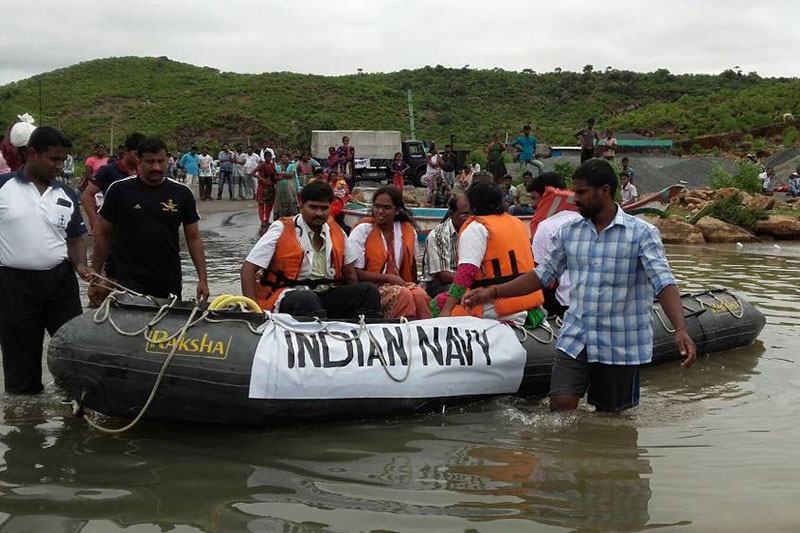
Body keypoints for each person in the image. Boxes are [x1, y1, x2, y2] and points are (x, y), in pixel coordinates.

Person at [464, 159, 696, 413]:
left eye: (582, 192)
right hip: (577, 336)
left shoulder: (641, 234)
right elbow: (541, 275)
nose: (576, 199)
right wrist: (494, 292)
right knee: (560, 406)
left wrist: (680, 328)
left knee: (611, 419)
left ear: (604, 190)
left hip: (621, 341)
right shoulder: (569, 232)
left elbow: (663, 282)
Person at [0, 126, 94, 394]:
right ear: (32, 154)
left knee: (74, 348)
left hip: (60, 284)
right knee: (20, 358)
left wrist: (80, 265)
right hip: (13, 285)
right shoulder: (2, 186)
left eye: (63, 160)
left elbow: (74, 238)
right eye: (54, 159)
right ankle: (25, 423)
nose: (60, 166)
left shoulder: (66, 194)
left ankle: (76, 402)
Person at [89, 137, 208, 304]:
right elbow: (103, 236)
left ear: (168, 159)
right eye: (150, 162)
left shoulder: (182, 193)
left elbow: (194, 238)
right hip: (128, 279)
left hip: (168, 277)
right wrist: (96, 277)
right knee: (129, 326)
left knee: (166, 326)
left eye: (161, 161)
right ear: (138, 161)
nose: (156, 167)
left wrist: (203, 279)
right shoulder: (119, 190)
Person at [241, 181, 381, 318]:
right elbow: (248, 269)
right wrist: (254, 312)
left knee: (369, 291)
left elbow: (350, 274)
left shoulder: (338, 232)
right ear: (301, 205)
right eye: (313, 207)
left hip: (326, 295)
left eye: (324, 208)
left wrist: (353, 298)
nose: (319, 213)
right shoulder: (281, 228)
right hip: (287, 295)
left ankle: (364, 333)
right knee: (307, 299)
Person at [437, 179, 544, 324]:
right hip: (530, 302)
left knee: (437, 304)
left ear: (472, 204)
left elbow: (466, 272)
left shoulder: (477, 228)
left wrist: (446, 311)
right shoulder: (517, 223)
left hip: (496, 306)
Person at [346, 186, 431, 319]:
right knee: (404, 295)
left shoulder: (407, 231)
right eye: (377, 206)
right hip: (371, 290)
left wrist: (406, 283)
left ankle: (425, 334)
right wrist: (388, 278)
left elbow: (412, 268)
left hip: (400, 283)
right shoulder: (362, 230)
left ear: (397, 210)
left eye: (386, 208)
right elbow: (356, 273)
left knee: (420, 295)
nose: (380, 211)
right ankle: (401, 335)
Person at [529, 173, 581, 317]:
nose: (533, 205)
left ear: (546, 197)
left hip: (564, 303)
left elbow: (541, 276)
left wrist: (496, 291)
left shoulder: (546, 227)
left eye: (535, 198)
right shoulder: (592, 218)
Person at [81, 132, 144, 232]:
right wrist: (95, 221)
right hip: (112, 227)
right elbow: (86, 196)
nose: (139, 158)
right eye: (136, 154)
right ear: (126, 151)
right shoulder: (108, 170)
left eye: (142, 155)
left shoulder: (143, 172)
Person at [422, 194, 470, 298]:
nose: (469, 219)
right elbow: (444, 276)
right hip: (438, 285)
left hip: (464, 281)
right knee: (454, 290)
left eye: (472, 215)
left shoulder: (474, 232)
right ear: (452, 214)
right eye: (465, 215)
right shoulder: (438, 235)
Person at [254, 152, 276, 227]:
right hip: (262, 187)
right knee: (261, 204)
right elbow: (253, 173)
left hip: (270, 186)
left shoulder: (272, 165)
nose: (268, 158)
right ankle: (262, 221)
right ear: (264, 157)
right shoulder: (261, 165)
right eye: (267, 156)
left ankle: (266, 220)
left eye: (269, 156)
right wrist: (261, 178)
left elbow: (274, 175)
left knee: (269, 204)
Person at [273, 153, 299, 218]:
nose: (284, 159)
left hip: (290, 185)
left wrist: (281, 174)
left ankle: (292, 215)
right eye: (282, 157)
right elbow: (275, 176)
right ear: (280, 159)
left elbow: (291, 174)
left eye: (285, 157)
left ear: (288, 158)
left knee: (291, 199)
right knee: (280, 201)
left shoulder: (292, 166)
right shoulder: (277, 167)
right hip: (280, 187)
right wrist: (282, 175)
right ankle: (280, 216)